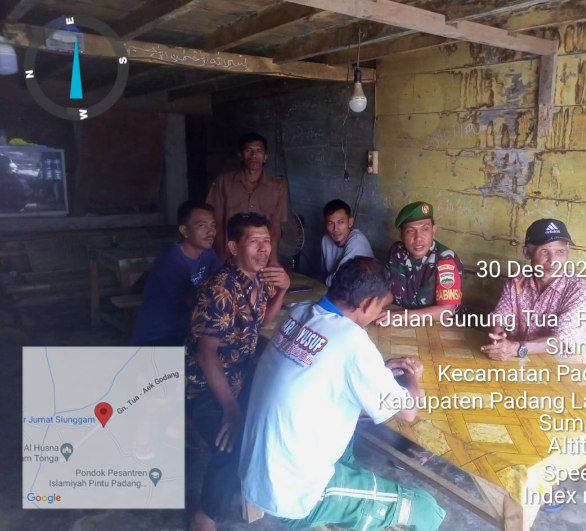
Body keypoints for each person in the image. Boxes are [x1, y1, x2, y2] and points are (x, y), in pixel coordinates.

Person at [239, 257, 446, 530]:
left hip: (255, 473)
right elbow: (407, 412)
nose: (378, 314)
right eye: (381, 307)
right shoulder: (352, 340)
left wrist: (381, 371)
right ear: (368, 303)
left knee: (349, 438)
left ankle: (355, 499)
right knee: (424, 507)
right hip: (296, 493)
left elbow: (324, 368)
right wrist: (411, 377)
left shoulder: (300, 312)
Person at [185, 212, 290, 531]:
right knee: (234, 444)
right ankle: (206, 516)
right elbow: (206, 356)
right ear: (233, 247)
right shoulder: (219, 290)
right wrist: (232, 410)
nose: (263, 249)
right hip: (205, 386)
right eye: (254, 241)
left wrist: (282, 290)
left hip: (242, 377)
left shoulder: (258, 278)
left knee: (281, 415)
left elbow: (260, 322)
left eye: (267, 241)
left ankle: (266, 486)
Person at [480, 218, 586, 363]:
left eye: (560, 252)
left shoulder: (579, 290)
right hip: (524, 362)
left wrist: (515, 348)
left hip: (567, 368)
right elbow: (499, 317)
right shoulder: (516, 281)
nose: (553, 260)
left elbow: (563, 340)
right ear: (527, 252)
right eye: (544, 252)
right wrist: (498, 336)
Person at [131, 200, 222, 346]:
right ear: (184, 231)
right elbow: (194, 303)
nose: (211, 232)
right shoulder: (171, 261)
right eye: (202, 226)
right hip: (159, 337)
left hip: (185, 328)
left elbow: (222, 281)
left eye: (212, 225)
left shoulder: (208, 254)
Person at [206, 132, 288, 263]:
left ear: (265, 157)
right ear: (240, 156)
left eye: (259, 151)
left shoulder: (277, 187)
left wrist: (273, 260)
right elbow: (217, 223)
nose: (254, 155)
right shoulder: (224, 182)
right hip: (230, 256)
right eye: (249, 150)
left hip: (261, 257)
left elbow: (275, 227)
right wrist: (220, 258)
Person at [379, 201, 463, 324]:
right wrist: (373, 307)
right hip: (399, 322)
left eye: (425, 229)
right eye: (410, 231)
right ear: (401, 234)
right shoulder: (396, 252)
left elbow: (446, 311)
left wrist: (400, 317)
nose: (418, 238)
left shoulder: (446, 260)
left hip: (435, 326)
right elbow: (388, 292)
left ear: (433, 231)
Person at [320, 199, 374, 287]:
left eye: (340, 222)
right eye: (330, 223)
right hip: (339, 289)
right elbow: (324, 274)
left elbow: (341, 278)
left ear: (350, 222)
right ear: (325, 224)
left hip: (363, 290)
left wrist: (327, 281)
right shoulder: (325, 240)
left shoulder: (357, 241)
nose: (335, 229)